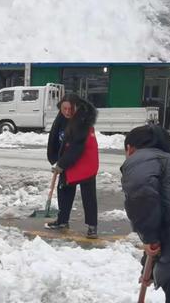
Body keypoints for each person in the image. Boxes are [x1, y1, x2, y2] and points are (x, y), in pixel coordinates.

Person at [121, 124, 170, 303]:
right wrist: (149, 267)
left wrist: (150, 238)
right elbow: (169, 218)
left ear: (130, 148)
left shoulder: (142, 159)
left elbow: (142, 192)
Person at [45, 94, 99, 239]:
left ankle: (92, 226)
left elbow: (77, 146)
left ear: (76, 107)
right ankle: (62, 220)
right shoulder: (61, 117)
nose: (67, 112)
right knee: (64, 188)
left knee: (88, 193)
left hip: (86, 160)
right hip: (69, 157)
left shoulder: (82, 119)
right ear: (60, 107)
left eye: (70, 108)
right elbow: (55, 137)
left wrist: (61, 164)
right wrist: (55, 158)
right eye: (64, 108)